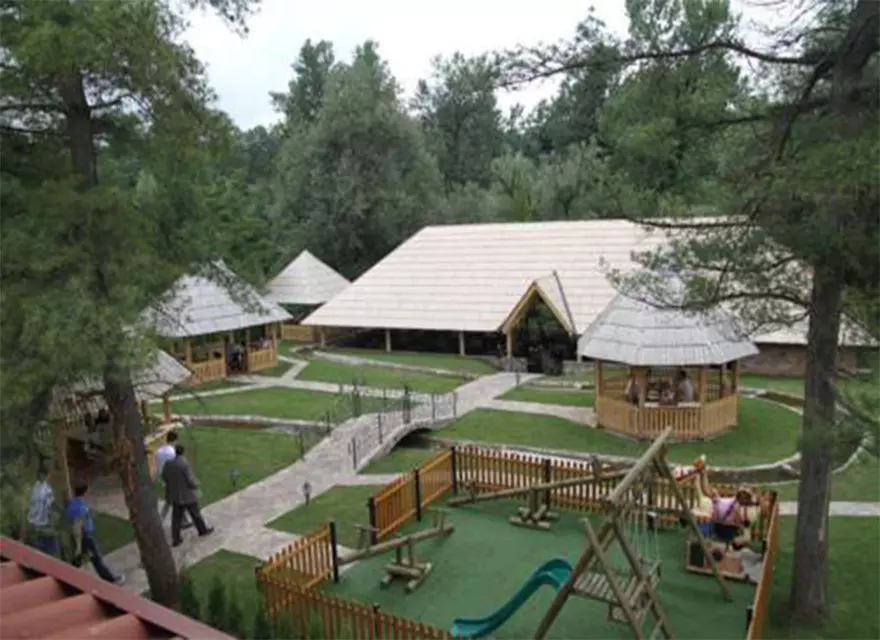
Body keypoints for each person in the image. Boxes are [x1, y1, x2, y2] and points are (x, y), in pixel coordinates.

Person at [65, 484, 124, 585]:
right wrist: (79, 545)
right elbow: (77, 527)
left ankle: (69, 579)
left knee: (78, 560)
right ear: (85, 492)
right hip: (85, 538)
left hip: (82, 538)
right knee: (96, 559)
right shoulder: (80, 508)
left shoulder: (73, 504)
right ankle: (111, 580)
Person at [162, 444, 213, 547]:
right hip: (187, 495)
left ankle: (176, 539)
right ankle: (202, 530)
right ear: (183, 452)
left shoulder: (168, 464)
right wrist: (196, 484)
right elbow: (190, 480)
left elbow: (164, 477)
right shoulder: (184, 464)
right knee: (195, 514)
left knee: (176, 518)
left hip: (176, 496)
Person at [153, 431, 190, 527]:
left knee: (174, 500)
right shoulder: (173, 453)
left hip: (164, 479)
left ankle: (184, 521)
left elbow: (157, 466)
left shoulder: (159, 451)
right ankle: (162, 521)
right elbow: (177, 466)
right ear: (175, 440)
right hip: (174, 479)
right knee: (174, 501)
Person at [24, 465, 59, 557]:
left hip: (33, 526)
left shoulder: (32, 488)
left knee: (35, 552)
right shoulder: (47, 490)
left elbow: (27, 508)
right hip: (43, 527)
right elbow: (50, 508)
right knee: (53, 553)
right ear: (48, 475)